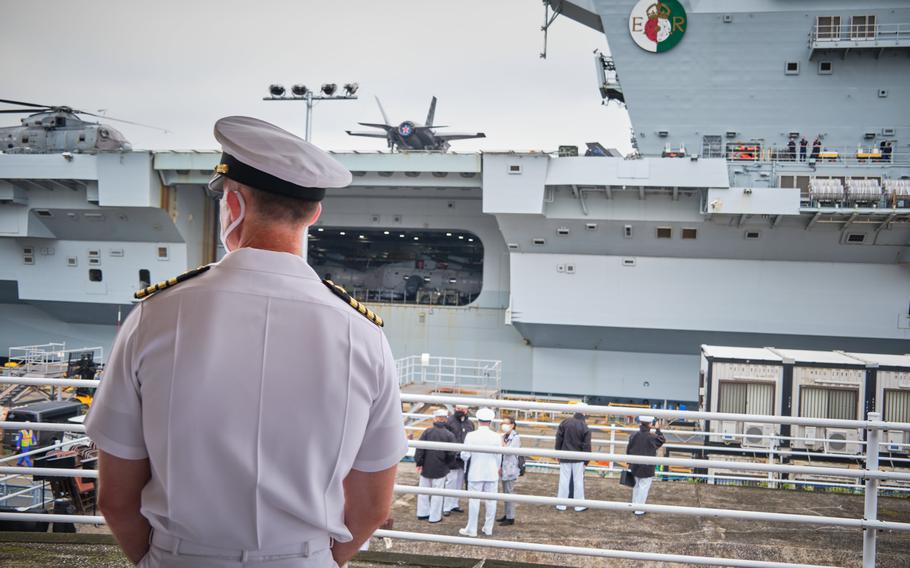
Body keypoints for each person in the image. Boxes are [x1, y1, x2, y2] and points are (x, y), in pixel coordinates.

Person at [85, 116, 408, 568]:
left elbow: (115, 500)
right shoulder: (364, 334)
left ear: (231, 203)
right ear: (314, 213)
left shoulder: (155, 315)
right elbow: (373, 508)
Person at [458, 408, 502, 537]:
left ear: (478, 420)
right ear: (491, 421)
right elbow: (499, 456)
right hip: (491, 472)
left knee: (474, 501)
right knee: (491, 501)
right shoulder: (496, 437)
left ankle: (472, 529)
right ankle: (488, 528)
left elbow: (465, 455)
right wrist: (497, 467)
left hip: (475, 472)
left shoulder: (471, 436)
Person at [415, 409, 456, 523]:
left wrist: (419, 462)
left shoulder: (427, 432)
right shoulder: (449, 435)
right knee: (437, 494)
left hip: (426, 466)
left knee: (423, 491)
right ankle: (434, 517)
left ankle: (422, 513)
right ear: (446, 419)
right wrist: (448, 464)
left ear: (434, 419)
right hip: (441, 467)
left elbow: (420, 448)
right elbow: (452, 453)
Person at [626, 415, 666, 516]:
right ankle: (640, 509)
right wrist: (658, 429)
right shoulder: (652, 437)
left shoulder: (633, 435)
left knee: (636, 486)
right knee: (644, 487)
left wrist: (629, 462)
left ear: (640, 422)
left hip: (635, 465)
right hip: (647, 467)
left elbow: (629, 449)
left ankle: (634, 506)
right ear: (650, 424)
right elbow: (662, 440)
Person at [555, 411, 591, 512]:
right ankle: (579, 505)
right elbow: (586, 445)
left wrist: (557, 453)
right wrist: (586, 461)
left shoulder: (564, 422)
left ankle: (561, 504)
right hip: (579, 458)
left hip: (564, 455)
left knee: (563, 479)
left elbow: (558, 439)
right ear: (584, 414)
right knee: (578, 480)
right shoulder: (585, 426)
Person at [443, 405, 474, 515]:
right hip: (452, 456)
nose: (460, 411)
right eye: (458, 408)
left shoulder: (470, 423)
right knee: (451, 481)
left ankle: (454, 504)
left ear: (467, 410)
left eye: (462, 409)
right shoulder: (449, 421)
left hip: (463, 457)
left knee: (459, 482)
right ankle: (446, 507)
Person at [497, 416, 521, 526]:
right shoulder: (505, 435)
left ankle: (511, 517)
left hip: (510, 469)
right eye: (503, 423)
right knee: (505, 493)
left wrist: (500, 439)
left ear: (512, 425)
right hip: (503, 468)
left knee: (509, 493)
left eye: (506, 423)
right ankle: (507, 514)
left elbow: (508, 452)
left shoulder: (515, 437)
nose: (503, 425)